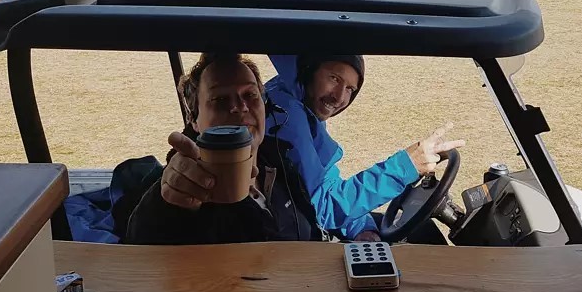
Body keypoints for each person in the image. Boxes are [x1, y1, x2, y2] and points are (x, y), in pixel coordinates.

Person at [125, 54, 322, 245]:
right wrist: (167, 202)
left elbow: (313, 233)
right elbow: (142, 241)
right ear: (193, 120)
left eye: (250, 95)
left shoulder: (281, 161)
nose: (240, 107)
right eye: (220, 99)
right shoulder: (185, 184)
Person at [265, 55, 463, 243]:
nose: (339, 97)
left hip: (305, 227)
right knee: (424, 236)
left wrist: (361, 228)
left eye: (350, 89)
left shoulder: (298, 103)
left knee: (423, 230)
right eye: (334, 78)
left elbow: (325, 182)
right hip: (300, 242)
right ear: (309, 71)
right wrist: (406, 167)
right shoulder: (286, 120)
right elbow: (321, 207)